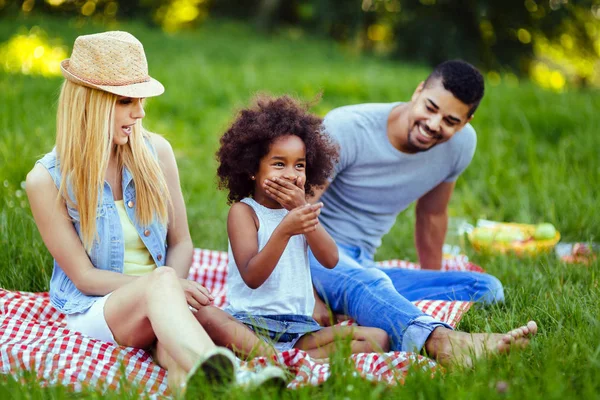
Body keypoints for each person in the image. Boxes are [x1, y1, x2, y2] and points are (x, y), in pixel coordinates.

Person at [25, 31, 285, 395]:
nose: (140, 112)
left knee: (178, 356)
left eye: (141, 99)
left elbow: (181, 242)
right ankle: (239, 375)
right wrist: (166, 284)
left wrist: (170, 292)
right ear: (90, 102)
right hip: (98, 312)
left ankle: (226, 389)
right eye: (127, 100)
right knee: (161, 281)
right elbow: (84, 277)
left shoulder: (156, 153)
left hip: (163, 303)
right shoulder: (45, 180)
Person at [263, 60, 538, 366]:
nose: (434, 124)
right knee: (367, 281)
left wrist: (430, 276)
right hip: (314, 251)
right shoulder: (348, 128)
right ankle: (439, 341)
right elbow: (290, 211)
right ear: (418, 91)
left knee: (486, 289)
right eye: (430, 107)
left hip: (363, 261)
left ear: (466, 121)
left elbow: (433, 216)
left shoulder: (461, 146)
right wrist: (307, 294)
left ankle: (366, 305)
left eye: (450, 120)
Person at [194, 95, 389, 359]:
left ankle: (278, 359)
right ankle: (276, 358)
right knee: (208, 316)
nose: (291, 173)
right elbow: (252, 276)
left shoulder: (302, 211)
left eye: (300, 165)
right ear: (253, 169)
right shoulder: (245, 212)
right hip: (250, 323)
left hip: (300, 330)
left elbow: (330, 260)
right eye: (278, 164)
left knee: (378, 338)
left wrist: (302, 215)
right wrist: (285, 229)